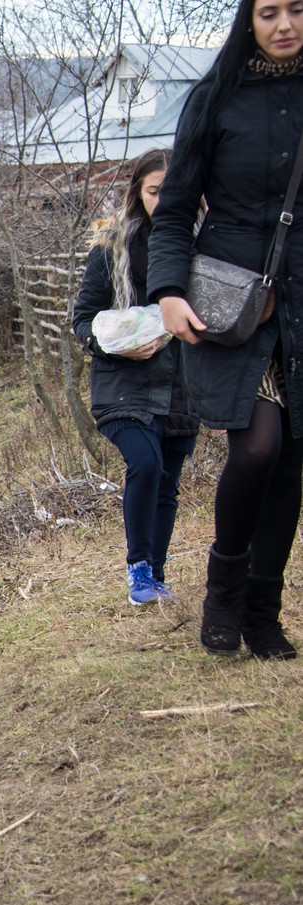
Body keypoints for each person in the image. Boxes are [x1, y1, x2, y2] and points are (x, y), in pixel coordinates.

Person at [151, 0, 303, 660]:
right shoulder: (214, 99)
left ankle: (262, 614)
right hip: (234, 303)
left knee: (291, 462)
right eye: (268, 11)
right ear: (249, 20)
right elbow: (174, 207)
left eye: (296, 8)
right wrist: (166, 291)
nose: (284, 24)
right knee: (256, 449)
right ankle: (223, 591)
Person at [72, 150, 199, 606]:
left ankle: (155, 577)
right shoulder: (111, 250)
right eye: (153, 191)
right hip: (122, 384)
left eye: (172, 190)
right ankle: (138, 567)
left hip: (181, 383)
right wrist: (113, 342)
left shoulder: (201, 245)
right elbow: (83, 319)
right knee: (145, 465)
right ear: (137, 193)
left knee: (167, 482)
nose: (163, 200)